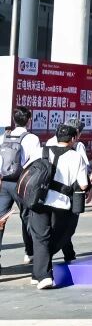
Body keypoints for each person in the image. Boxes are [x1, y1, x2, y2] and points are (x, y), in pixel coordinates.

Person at [26, 124, 89, 289]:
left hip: (38, 201)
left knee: (41, 238)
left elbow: (27, 171)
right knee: (57, 237)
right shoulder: (77, 157)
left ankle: (39, 275)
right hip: (61, 203)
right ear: (73, 139)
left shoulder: (41, 151)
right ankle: (43, 276)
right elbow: (83, 184)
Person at [0, 106, 44, 269]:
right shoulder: (32, 138)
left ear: (14, 120)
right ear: (29, 120)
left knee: (0, 220)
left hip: (4, 183)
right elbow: (35, 162)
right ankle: (29, 252)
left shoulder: (4, 137)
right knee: (27, 217)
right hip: (23, 182)